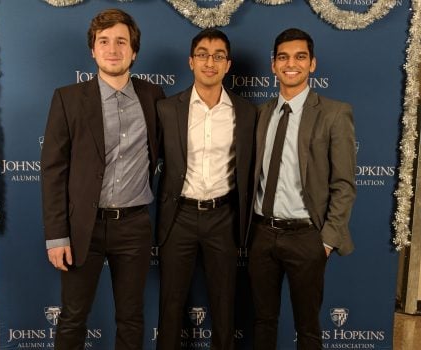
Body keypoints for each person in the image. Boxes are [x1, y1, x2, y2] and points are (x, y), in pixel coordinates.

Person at [41, 8, 164, 350]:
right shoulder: (67, 99)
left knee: (131, 316)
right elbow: (53, 170)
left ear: (133, 51)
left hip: (134, 226)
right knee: (73, 315)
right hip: (83, 228)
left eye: (121, 41)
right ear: (93, 50)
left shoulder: (154, 97)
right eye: (104, 41)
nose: (113, 49)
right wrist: (56, 236)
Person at [248, 28, 356, 349]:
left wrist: (325, 242)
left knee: (307, 327)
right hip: (262, 234)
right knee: (263, 321)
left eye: (299, 57)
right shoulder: (261, 114)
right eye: (283, 57)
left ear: (312, 64)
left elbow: (344, 184)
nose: (290, 63)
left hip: (307, 237)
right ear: (273, 65)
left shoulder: (335, 114)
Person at [156, 28, 256, 350]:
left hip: (223, 218)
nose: (209, 62)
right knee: (170, 305)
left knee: (224, 305)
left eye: (218, 56)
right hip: (179, 216)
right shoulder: (167, 109)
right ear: (191, 61)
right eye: (202, 54)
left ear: (228, 64)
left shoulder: (247, 112)